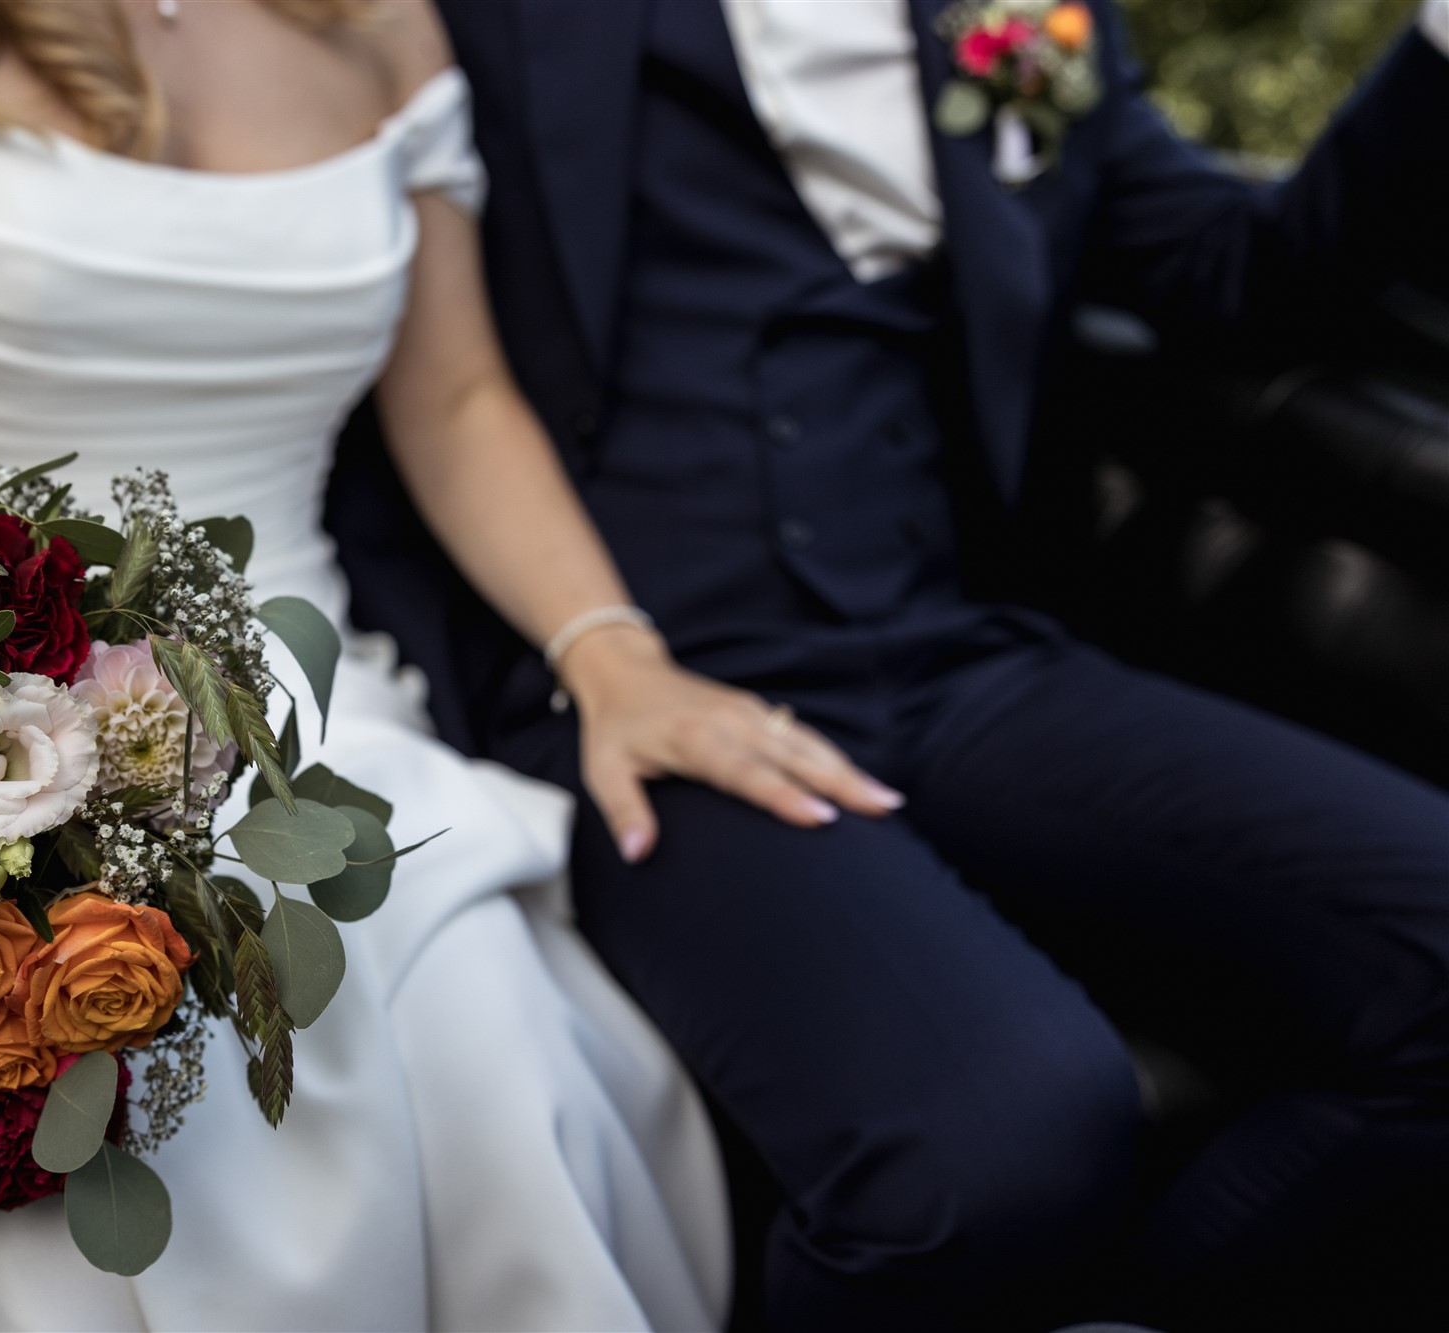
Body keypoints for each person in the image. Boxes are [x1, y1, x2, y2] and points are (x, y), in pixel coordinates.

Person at [0, 0, 932, 1327]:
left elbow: (464, 396)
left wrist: (615, 657)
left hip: (329, 732)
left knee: (473, 1036)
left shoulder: (384, 25)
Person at [319, 0, 1449, 1327]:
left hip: (951, 651)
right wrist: (597, 659)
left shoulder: (1026, 20)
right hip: (625, 690)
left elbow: (1240, 279)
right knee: (995, 1143)